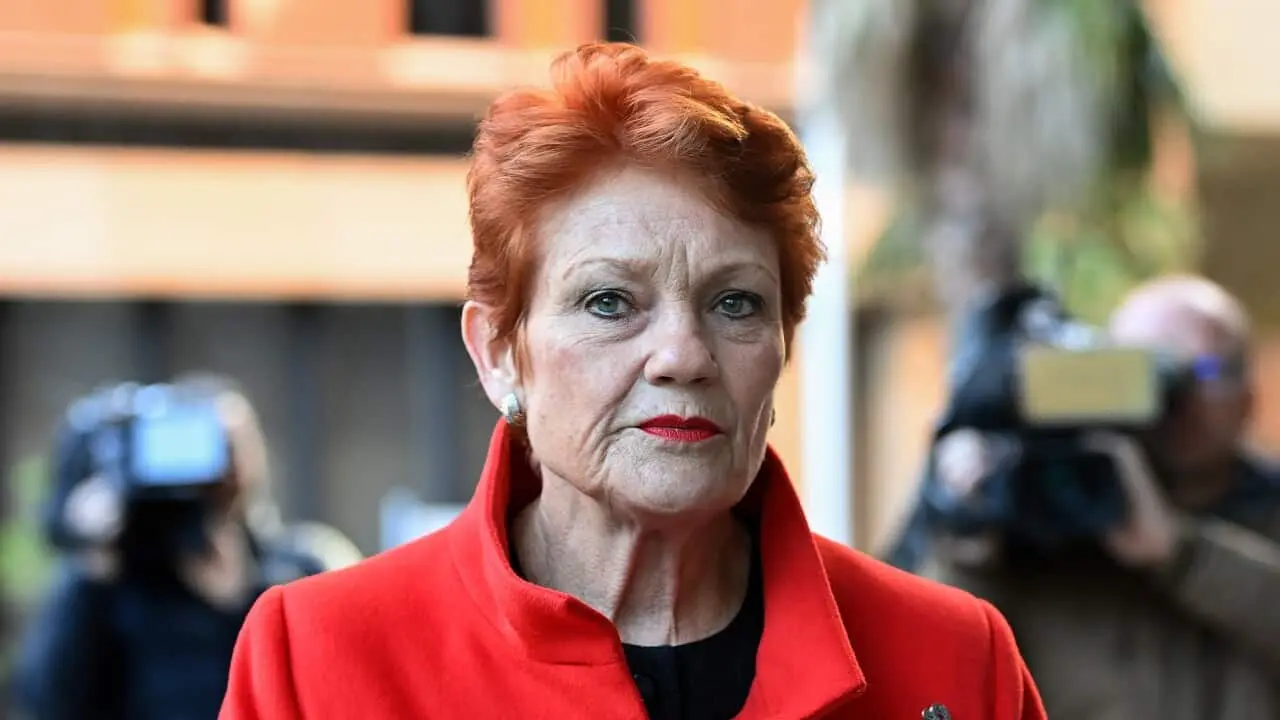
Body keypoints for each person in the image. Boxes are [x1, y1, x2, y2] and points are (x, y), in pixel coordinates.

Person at [219, 42, 1044, 720]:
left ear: (783, 344)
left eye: (735, 302)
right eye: (609, 301)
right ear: (499, 351)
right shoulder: (317, 659)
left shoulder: (953, 661)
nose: (683, 355)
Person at [922, 275, 1280, 720]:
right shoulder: (1041, 496)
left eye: (1206, 371)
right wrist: (970, 531)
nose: (1179, 399)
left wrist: (1182, 554)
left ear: (1250, 398)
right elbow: (936, 672)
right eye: (1145, 370)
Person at [15, 373, 358, 720]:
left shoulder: (301, 565)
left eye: (235, 443)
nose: (228, 463)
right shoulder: (119, 587)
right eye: (212, 443)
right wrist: (94, 563)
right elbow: (50, 700)